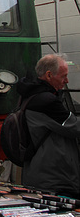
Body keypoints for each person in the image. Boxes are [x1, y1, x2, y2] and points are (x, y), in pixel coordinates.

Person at [17, 53, 80, 198]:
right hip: (54, 178)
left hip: (37, 173)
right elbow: (73, 126)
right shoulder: (47, 101)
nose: (67, 80)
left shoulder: (28, 95)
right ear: (49, 75)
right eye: (63, 76)